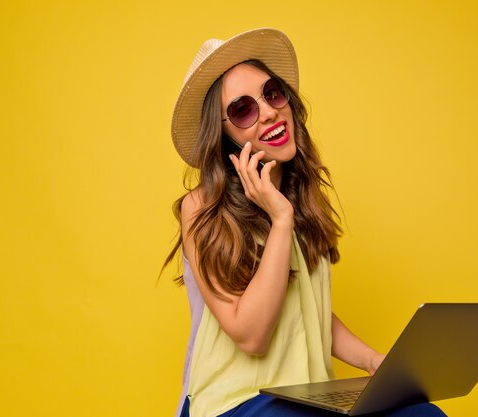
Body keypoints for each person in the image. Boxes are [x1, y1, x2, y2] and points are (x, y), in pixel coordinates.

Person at [166, 28, 447, 417]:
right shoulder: (200, 208)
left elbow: (308, 310)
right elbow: (252, 335)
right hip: (238, 405)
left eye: (272, 93)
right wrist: (280, 219)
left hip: (307, 401)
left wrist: (372, 360)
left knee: (424, 414)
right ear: (226, 137)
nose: (268, 111)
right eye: (243, 109)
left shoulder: (299, 198)